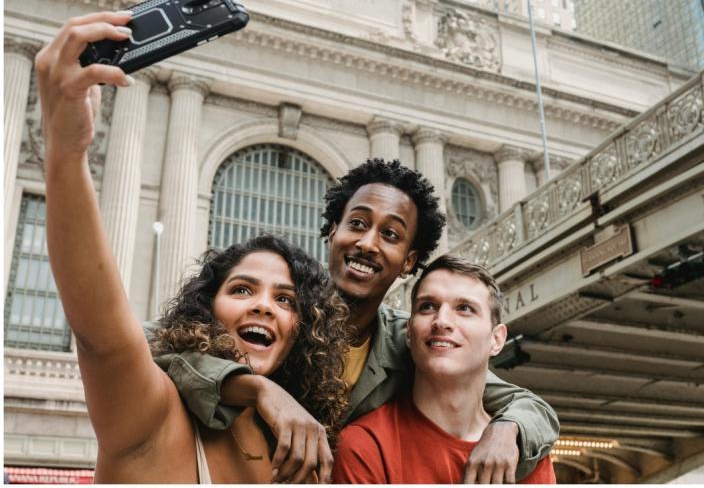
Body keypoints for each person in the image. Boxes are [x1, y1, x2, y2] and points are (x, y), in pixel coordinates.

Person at [35, 12, 349, 482]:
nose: (265, 306)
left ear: (303, 331)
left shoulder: (306, 455)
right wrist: (66, 150)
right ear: (206, 311)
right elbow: (100, 336)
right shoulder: (152, 414)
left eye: (285, 299)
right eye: (243, 289)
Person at [156, 161, 560, 483]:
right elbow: (157, 351)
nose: (367, 243)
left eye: (390, 234)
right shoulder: (279, 315)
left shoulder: (413, 340)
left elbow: (528, 404)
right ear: (332, 231)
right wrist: (259, 390)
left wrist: (507, 432)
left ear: (409, 261)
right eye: (358, 224)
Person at [333, 254, 556, 483]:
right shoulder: (364, 446)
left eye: (465, 308)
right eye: (427, 306)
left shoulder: (526, 453)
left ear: (497, 340)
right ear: (408, 332)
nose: (442, 321)